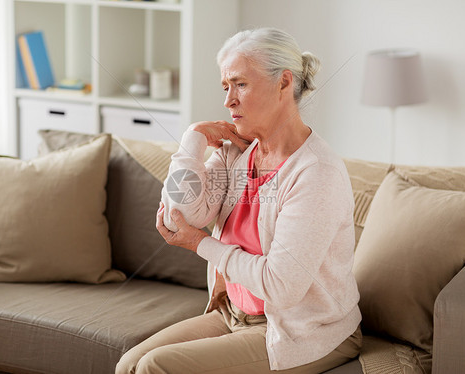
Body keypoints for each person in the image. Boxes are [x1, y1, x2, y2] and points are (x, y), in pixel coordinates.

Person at [116, 27, 362, 374]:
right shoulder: (238, 153)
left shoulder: (316, 173)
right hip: (233, 314)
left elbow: (280, 286)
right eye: (225, 87)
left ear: (283, 83)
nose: (228, 100)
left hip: (300, 331)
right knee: (129, 365)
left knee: (156, 368)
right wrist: (193, 138)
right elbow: (178, 215)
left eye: (240, 84)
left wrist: (201, 243)